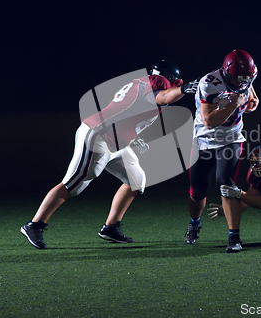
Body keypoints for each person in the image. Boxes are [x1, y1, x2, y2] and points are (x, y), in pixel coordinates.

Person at [21, 61, 199, 249]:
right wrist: (184, 89)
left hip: (116, 140)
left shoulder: (140, 83)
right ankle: (35, 225)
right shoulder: (158, 83)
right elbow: (163, 96)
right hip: (99, 135)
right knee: (75, 183)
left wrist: (131, 136)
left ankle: (110, 227)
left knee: (136, 180)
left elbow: (132, 109)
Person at [184, 49, 259, 253]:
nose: (241, 83)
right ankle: (194, 222)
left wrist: (252, 102)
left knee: (227, 185)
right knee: (198, 191)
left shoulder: (248, 76)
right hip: (204, 139)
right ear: (226, 73)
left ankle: (234, 237)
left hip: (232, 138)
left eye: (246, 78)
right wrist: (235, 105)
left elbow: (250, 93)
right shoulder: (209, 83)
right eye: (237, 80)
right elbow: (209, 121)